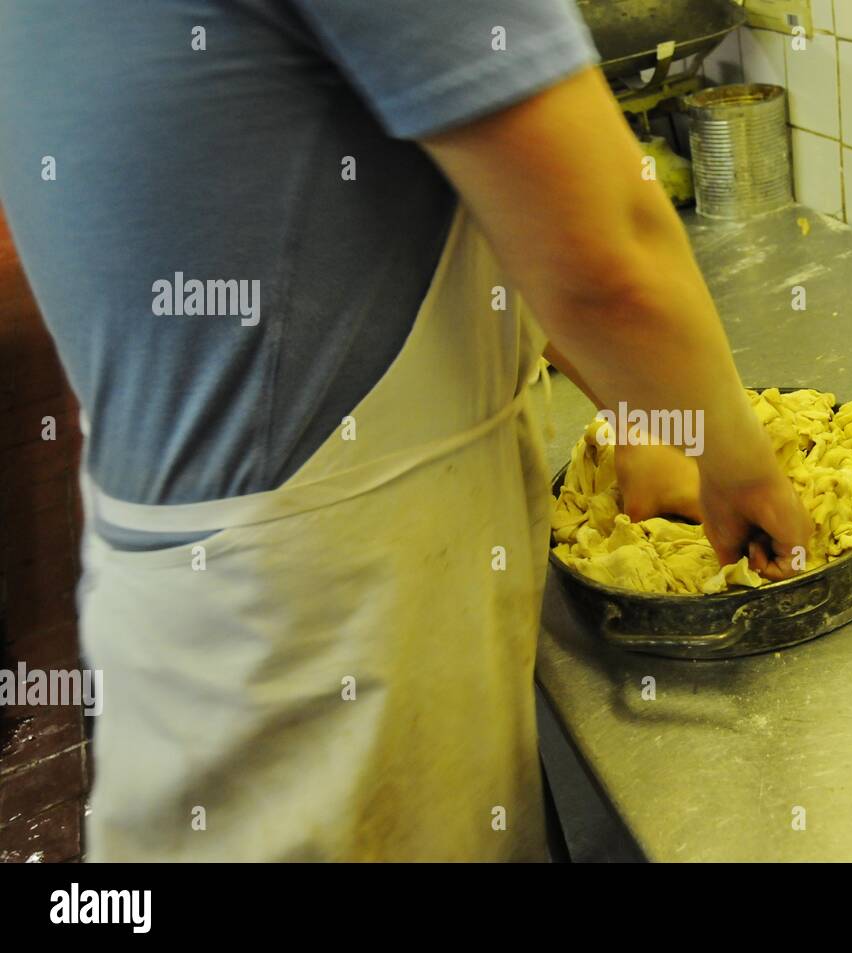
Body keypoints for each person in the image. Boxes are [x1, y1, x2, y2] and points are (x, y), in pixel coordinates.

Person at [0, 0, 810, 860]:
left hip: (216, 593)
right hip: (328, 628)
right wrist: (735, 460)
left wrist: (641, 409)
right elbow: (604, 250)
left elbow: (437, 206)